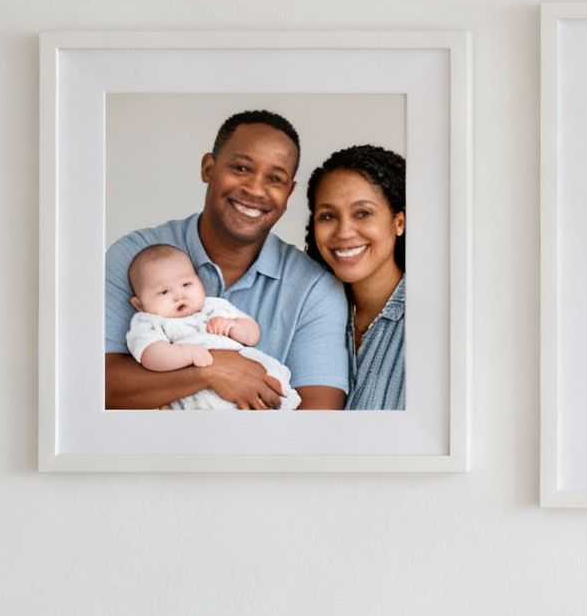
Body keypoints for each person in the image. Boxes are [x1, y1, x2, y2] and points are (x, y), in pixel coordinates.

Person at [104, 111, 348, 410]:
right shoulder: (133, 257)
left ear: (289, 192)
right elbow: (98, 385)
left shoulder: (316, 290)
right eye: (241, 168)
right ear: (209, 167)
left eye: (275, 179)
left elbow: (319, 417)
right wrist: (212, 369)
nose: (255, 189)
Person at [123, 243, 299, 410]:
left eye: (186, 284)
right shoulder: (149, 322)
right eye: (164, 292)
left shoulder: (214, 307)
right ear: (139, 304)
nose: (179, 295)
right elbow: (151, 356)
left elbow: (253, 335)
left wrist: (233, 325)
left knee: (274, 388)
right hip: (198, 390)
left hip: (250, 370)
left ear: (199, 282)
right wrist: (188, 354)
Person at [305, 145, 407, 410]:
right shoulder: (310, 311)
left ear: (399, 222)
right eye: (328, 216)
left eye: (363, 213)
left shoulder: (436, 321)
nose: (344, 232)